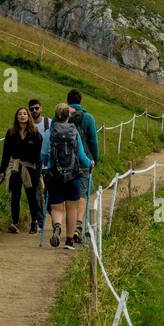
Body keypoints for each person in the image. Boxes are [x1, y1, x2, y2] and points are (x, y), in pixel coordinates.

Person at [40, 103, 93, 250]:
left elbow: (43, 156)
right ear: (68, 116)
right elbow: (82, 156)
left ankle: (57, 226)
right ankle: (69, 241)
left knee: (57, 207)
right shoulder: (74, 131)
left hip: (55, 175)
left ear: (55, 115)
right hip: (73, 175)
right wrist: (90, 163)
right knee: (71, 208)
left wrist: (46, 164)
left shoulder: (48, 133)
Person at [0, 107, 44, 234]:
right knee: (15, 195)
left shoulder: (35, 134)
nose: (22, 116)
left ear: (28, 117)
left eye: (25, 114)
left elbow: (39, 153)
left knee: (32, 196)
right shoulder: (11, 133)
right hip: (15, 167)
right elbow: (6, 153)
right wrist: (2, 170)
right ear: (16, 117)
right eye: (20, 114)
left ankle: (34, 222)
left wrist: (38, 168)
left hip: (30, 168)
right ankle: (15, 222)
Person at [66, 89, 99, 246]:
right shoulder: (88, 118)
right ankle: (78, 224)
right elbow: (93, 141)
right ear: (81, 101)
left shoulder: (61, 116)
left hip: (65, 161)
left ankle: (65, 227)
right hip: (84, 160)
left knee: (68, 193)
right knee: (82, 193)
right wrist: (95, 159)